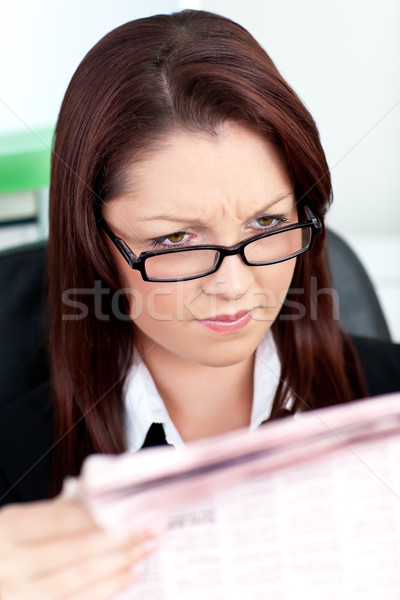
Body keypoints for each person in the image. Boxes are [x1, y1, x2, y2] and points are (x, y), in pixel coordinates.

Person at [0, 9, 399, 600]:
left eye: (267, 222)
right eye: (175, 242)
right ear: (94, 244)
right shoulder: (16, 470)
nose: (234, 285)